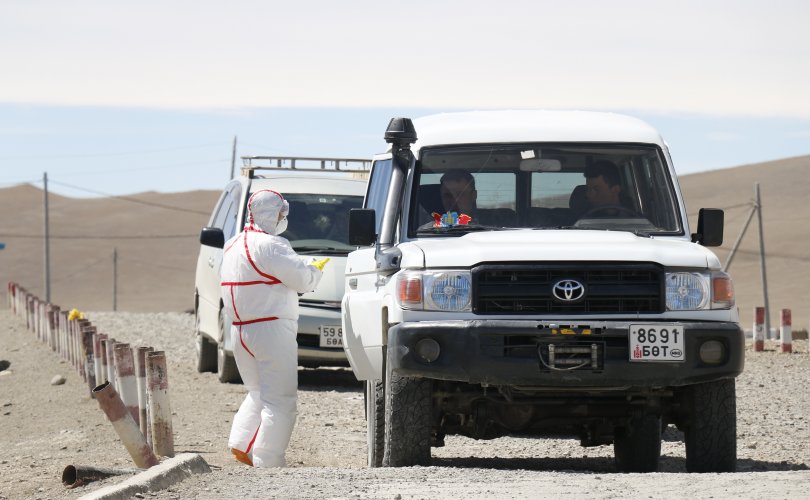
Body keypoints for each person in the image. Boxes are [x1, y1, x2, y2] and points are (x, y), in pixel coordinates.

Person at [219, 189, 330, 468]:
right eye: (281, 213)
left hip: (240, 331)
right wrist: (315, 270)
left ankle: (242, 444)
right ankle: (268, 461)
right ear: (272, 214)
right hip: (270, 331)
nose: (283, 218)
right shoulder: (272, 245)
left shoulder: (232, 244)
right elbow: (303, 280)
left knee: (257, 392)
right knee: (280, 400)